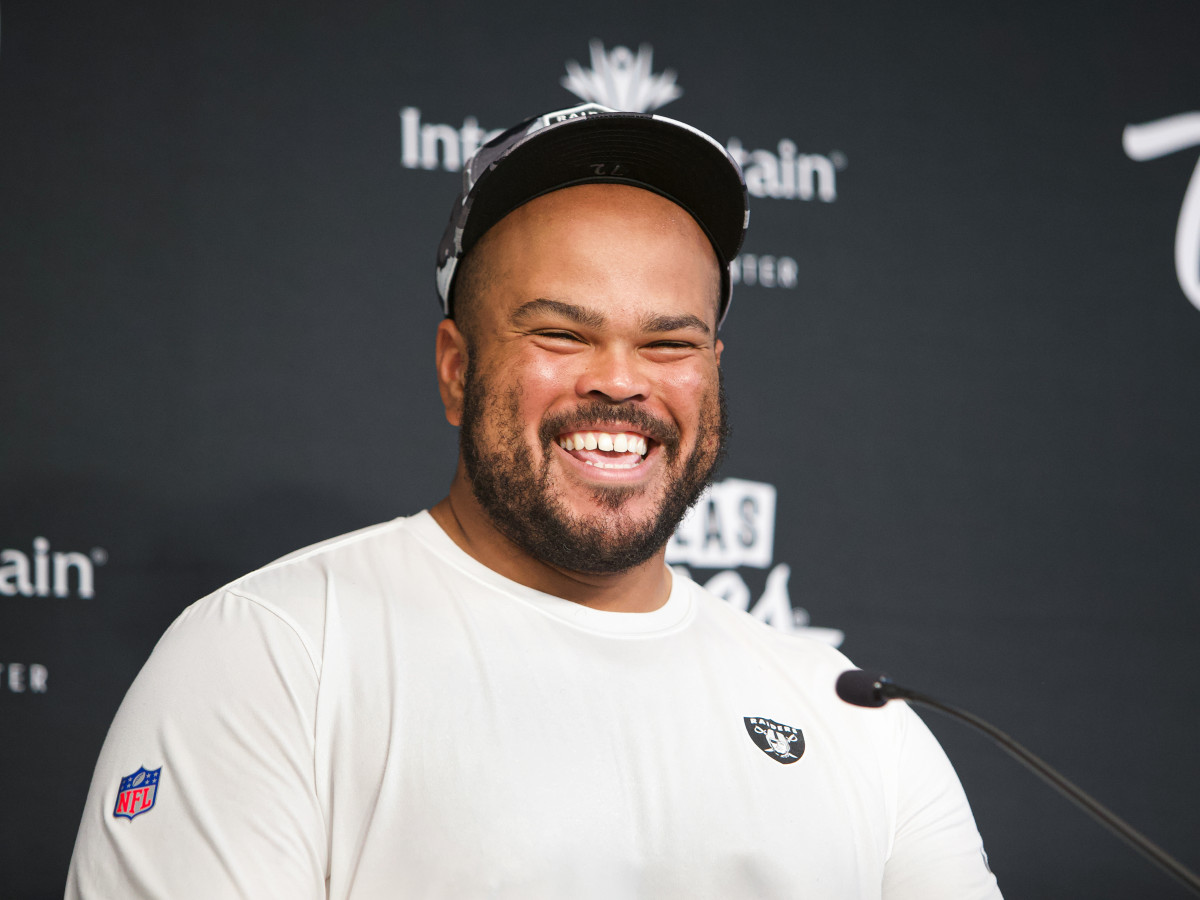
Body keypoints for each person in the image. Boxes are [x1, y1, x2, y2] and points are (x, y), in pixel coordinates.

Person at [66, 103, 1002, 899]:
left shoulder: (851, 719)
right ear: (455, 370)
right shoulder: (271, 655)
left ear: (713, 374)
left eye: (670, 344)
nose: (621, 383)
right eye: (561, 332)